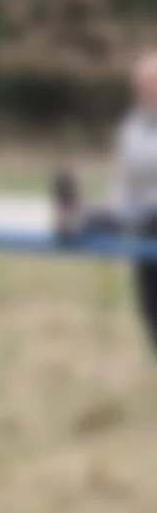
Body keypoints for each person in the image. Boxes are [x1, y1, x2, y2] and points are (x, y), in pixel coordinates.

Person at [53, 50, 157, 357]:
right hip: (139, 213)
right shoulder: (133, 127)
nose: (149, 93)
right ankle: (76, 216)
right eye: (144, 87)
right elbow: (125, 179)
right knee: (149, 302)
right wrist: (116, 208)